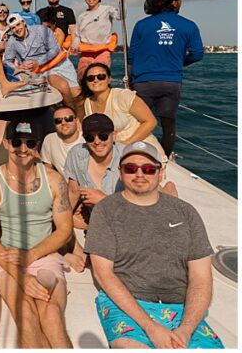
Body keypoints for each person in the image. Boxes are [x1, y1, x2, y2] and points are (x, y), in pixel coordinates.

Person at [85, 141, 223, 349]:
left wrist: (185, 330)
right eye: (131, 168)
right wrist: (150, 326)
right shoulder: (106, 211)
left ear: (160, 173)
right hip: (128, 305)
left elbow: (201, 277)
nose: (140, 174)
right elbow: (104, 274)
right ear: (120, 173)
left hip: (181, 308)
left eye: (149, 169)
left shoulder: (186, 212)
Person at [0, 120, 74, 348]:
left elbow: (65, 230)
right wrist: (20, 275)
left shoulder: (53, 179)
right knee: (25, 313)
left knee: (51, 314)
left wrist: (30, 256)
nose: (23, 149)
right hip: (6, 257)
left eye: (29, 143)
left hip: (43, 253)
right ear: (5, 143)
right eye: (16, 142)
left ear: (37, 145)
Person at [62, 114, 177, 273]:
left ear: (114, 135)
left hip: (131, 217)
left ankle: (168, 192)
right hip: (99, 218)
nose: (97, 141)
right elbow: (72, 193)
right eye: (90, 137)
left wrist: (103, 200)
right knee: (59, 215)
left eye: (103, 136)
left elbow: (143, 207)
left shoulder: (128, 159)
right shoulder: (77, 154)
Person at [128, 0, 204, 158]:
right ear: (174, 3)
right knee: (168, 124)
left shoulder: (141, 25)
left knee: (137, 122)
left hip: (143, 82)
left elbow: (131, 56)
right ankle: (164, 160)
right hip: (172, 82)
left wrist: (132, 80)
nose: (180, 2)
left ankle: (133, 155)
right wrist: (178, 62)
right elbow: (197, 54)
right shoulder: (189, 26)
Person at [80, 62, 162, 156]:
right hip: (112, 153)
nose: (95, 80)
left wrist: (126, 144)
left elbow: (151, 122)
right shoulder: (88, 103)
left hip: (142, 149)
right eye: (90, 78)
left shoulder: (123, 96)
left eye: (101, 76)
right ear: (86, 82)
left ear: (109, 79)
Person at [4, 13, 81, 106]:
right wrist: (19, 67)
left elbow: (55, 49)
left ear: (23, 22)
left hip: (57, 64)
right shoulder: (11, 41)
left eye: (18, 24)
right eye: (13, 28)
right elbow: (8, 61)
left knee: (77, 96)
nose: (17, 29)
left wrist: (38, 62)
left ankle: (77, 117)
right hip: (40, 72)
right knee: (63, 86)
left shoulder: (41, 30)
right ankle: (69, 115)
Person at [73, 0, 126, 77]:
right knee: (83, 79)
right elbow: (78, 35)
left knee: (101, 77)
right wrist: (74, 46)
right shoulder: (81, 16)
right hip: (86, 53)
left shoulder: (107, 10)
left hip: (102, 52)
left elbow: (121, 16)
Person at [40, 104, 84, 177]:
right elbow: (47, 168)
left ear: (76, 120)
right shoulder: (50, 139)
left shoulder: (87, 139)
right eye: (58, 121)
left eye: (68, 119)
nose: (63, 123)